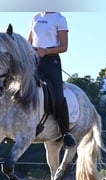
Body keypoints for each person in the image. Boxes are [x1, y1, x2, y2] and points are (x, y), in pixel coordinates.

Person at [28, 12, 76, 148]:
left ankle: (65, 132)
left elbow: (64, 46)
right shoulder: (36, 17)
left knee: (58, 95)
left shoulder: (60, 18)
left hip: (51, 60)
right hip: (33, 60)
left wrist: (46, 51)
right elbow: (29, 41)